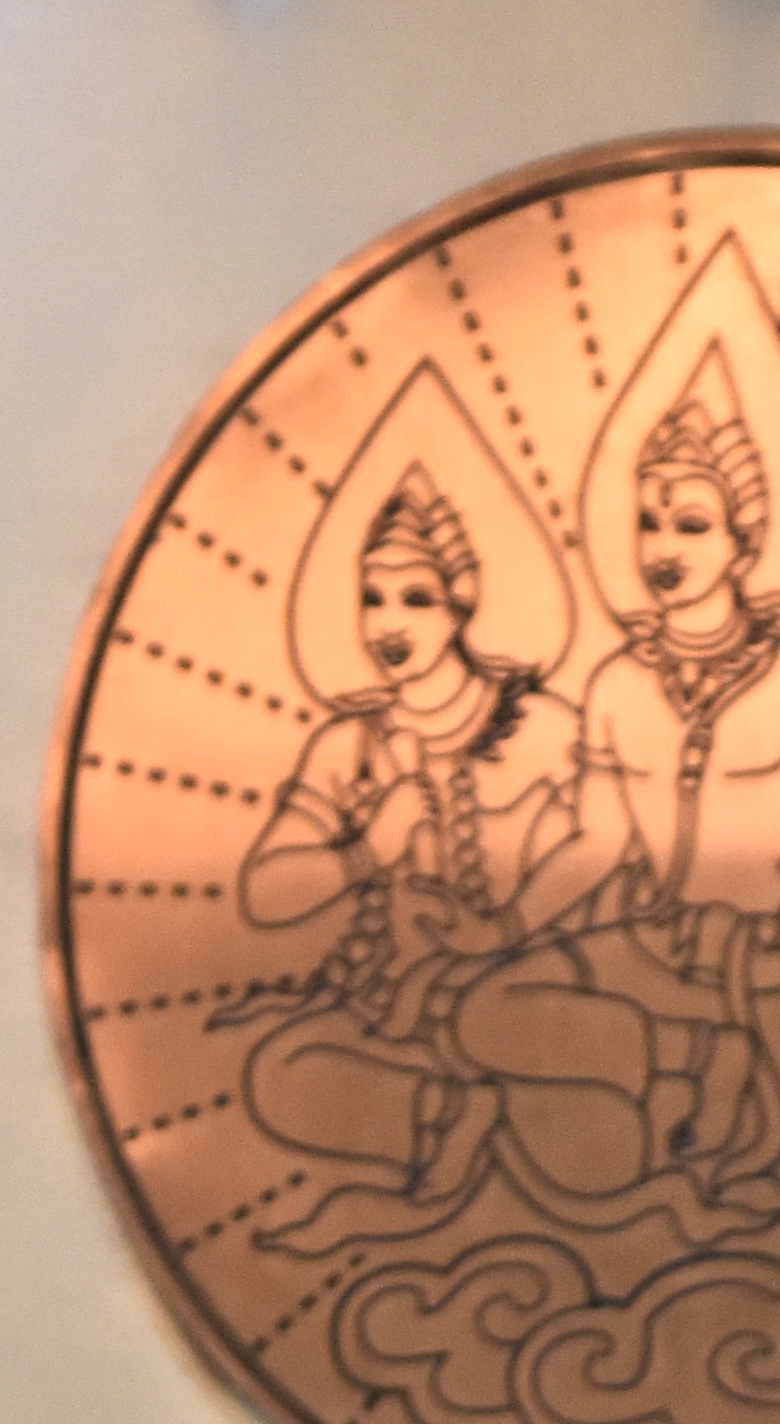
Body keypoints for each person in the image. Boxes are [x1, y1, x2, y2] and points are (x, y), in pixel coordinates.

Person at [443, 357, 780, 1217]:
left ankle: (705, 1090)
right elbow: (596, 842)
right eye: (650, 522)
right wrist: (505, 926)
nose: (664, 548)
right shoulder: (618, 683)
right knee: (489, 1012)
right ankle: (697, 1062)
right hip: (663, 950)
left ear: (743, 542)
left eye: (693, 525)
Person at [230, 468, 585, 1252]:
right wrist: (364, 855)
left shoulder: (542, 725)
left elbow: (606, 855)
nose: (389, 622)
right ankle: (463, 1119)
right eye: (374, 597)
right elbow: (264, 892)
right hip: (399, 1013)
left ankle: (525, 1127)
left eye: (416, 598)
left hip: (531, 994)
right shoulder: (348, 746)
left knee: (514, 1028)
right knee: (280, 1073)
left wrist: (508, 930)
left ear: (463, 600)